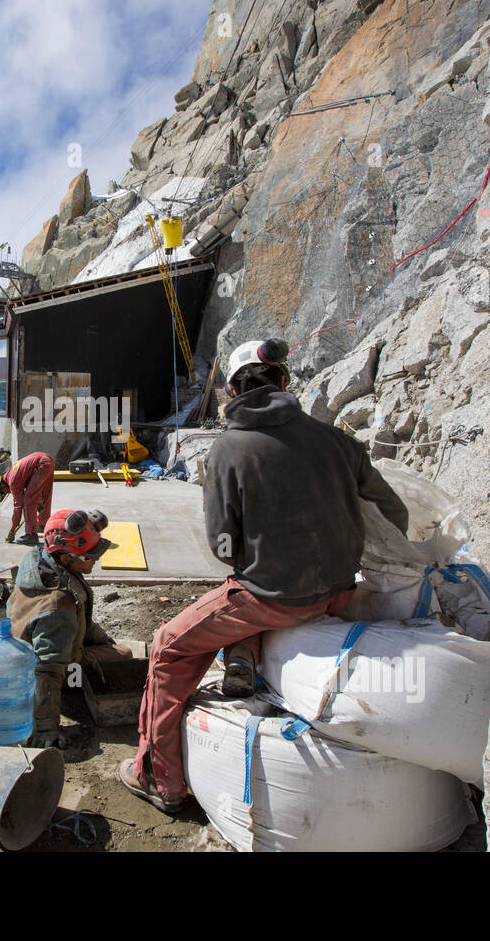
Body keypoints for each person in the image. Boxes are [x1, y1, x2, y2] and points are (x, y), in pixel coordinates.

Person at [119, 338, 411, 812]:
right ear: (282, 381)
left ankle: (159, 778)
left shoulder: (229, 449)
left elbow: (222, 546)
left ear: (232, 390)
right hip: (338, 591)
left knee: (170, 643)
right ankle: (246, 653)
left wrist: (256, 556)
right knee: (243, 604)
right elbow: (392, 513)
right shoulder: (339, 441)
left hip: (272, 596)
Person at [6, 509, 132, 747]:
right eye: (89, 556)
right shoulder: (58, 604)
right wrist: (46, 728)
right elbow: (47, 670)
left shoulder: (41, 561)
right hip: (40, 672)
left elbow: (82, 617)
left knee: (114, 650)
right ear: (66, 557)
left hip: (30, 652)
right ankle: (73, 691)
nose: (95, 559)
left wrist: (105, 641)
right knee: (125, 655)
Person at [0, 451, 55, 545]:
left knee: (27, 501)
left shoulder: (13, 482)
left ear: (2, 485)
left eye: (1, 491)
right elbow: (31, 484)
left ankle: (31, 534)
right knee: (45, 494)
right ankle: (43, 524)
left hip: (42, 465)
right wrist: (39, 501)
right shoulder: (11, 473)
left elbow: (18, 507)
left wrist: (12, 529)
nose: (4, 493)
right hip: (48, 461)